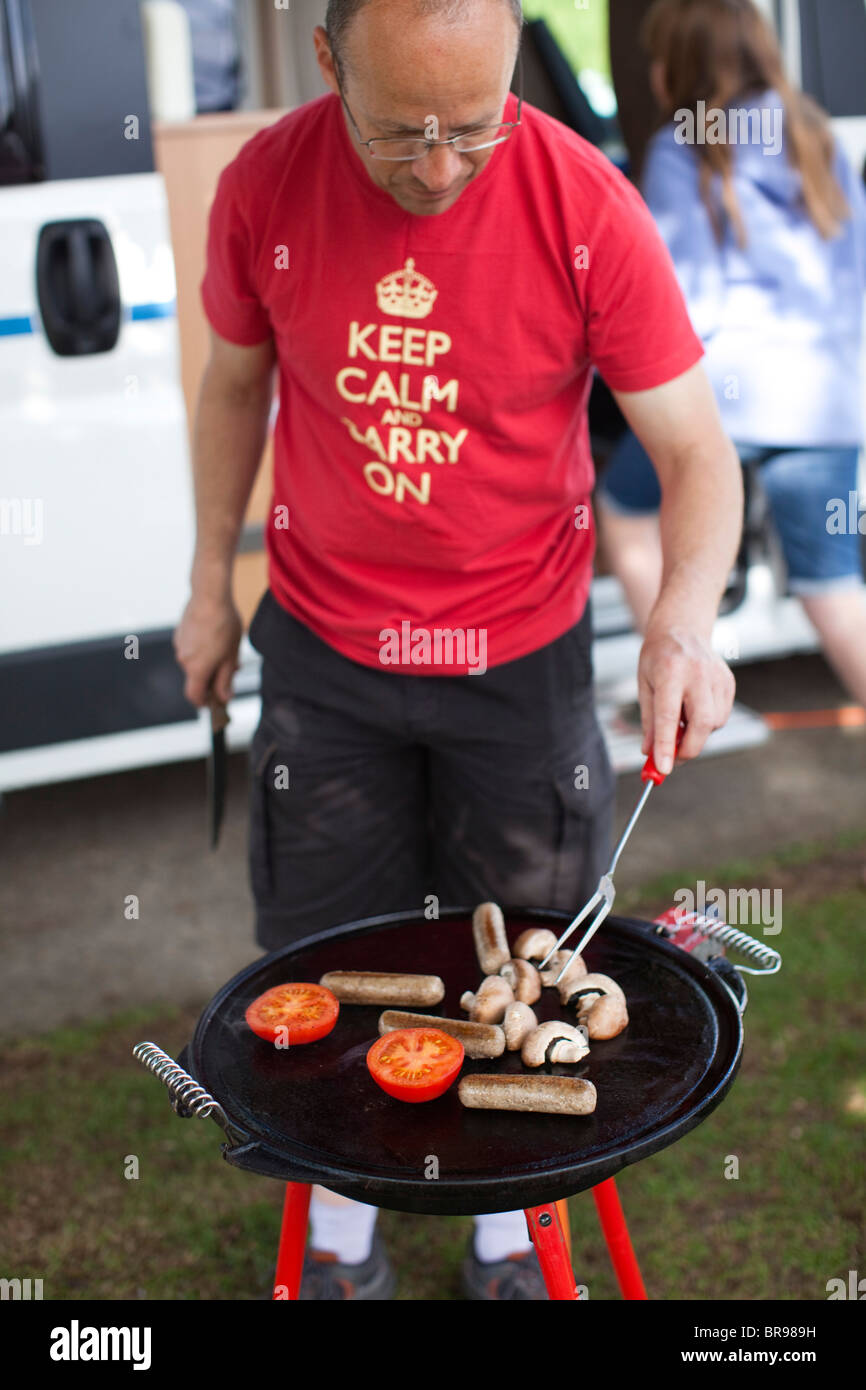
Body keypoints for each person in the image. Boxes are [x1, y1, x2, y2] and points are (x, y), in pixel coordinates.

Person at [173, 0, 741, 1300]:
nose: (437, 169)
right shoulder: (265, 185)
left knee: (529, 957)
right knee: (317, 957)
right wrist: (208, 579)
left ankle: (502, 1240)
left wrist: (681, 620)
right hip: (325, 653)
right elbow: (231, 385)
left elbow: (696, 453)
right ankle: (340, 1238)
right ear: (327, 61)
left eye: (472, 132)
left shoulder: (583, 203)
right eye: (400, 135)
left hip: (521, 659)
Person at [596, 0, 866, 717]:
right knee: (832, 586)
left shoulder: (683, 149)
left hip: (733, 395)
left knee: (623, 509)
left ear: (675, 68)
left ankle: (680, 674)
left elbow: (684, 306)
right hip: (830, 400)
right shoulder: (816, 133)